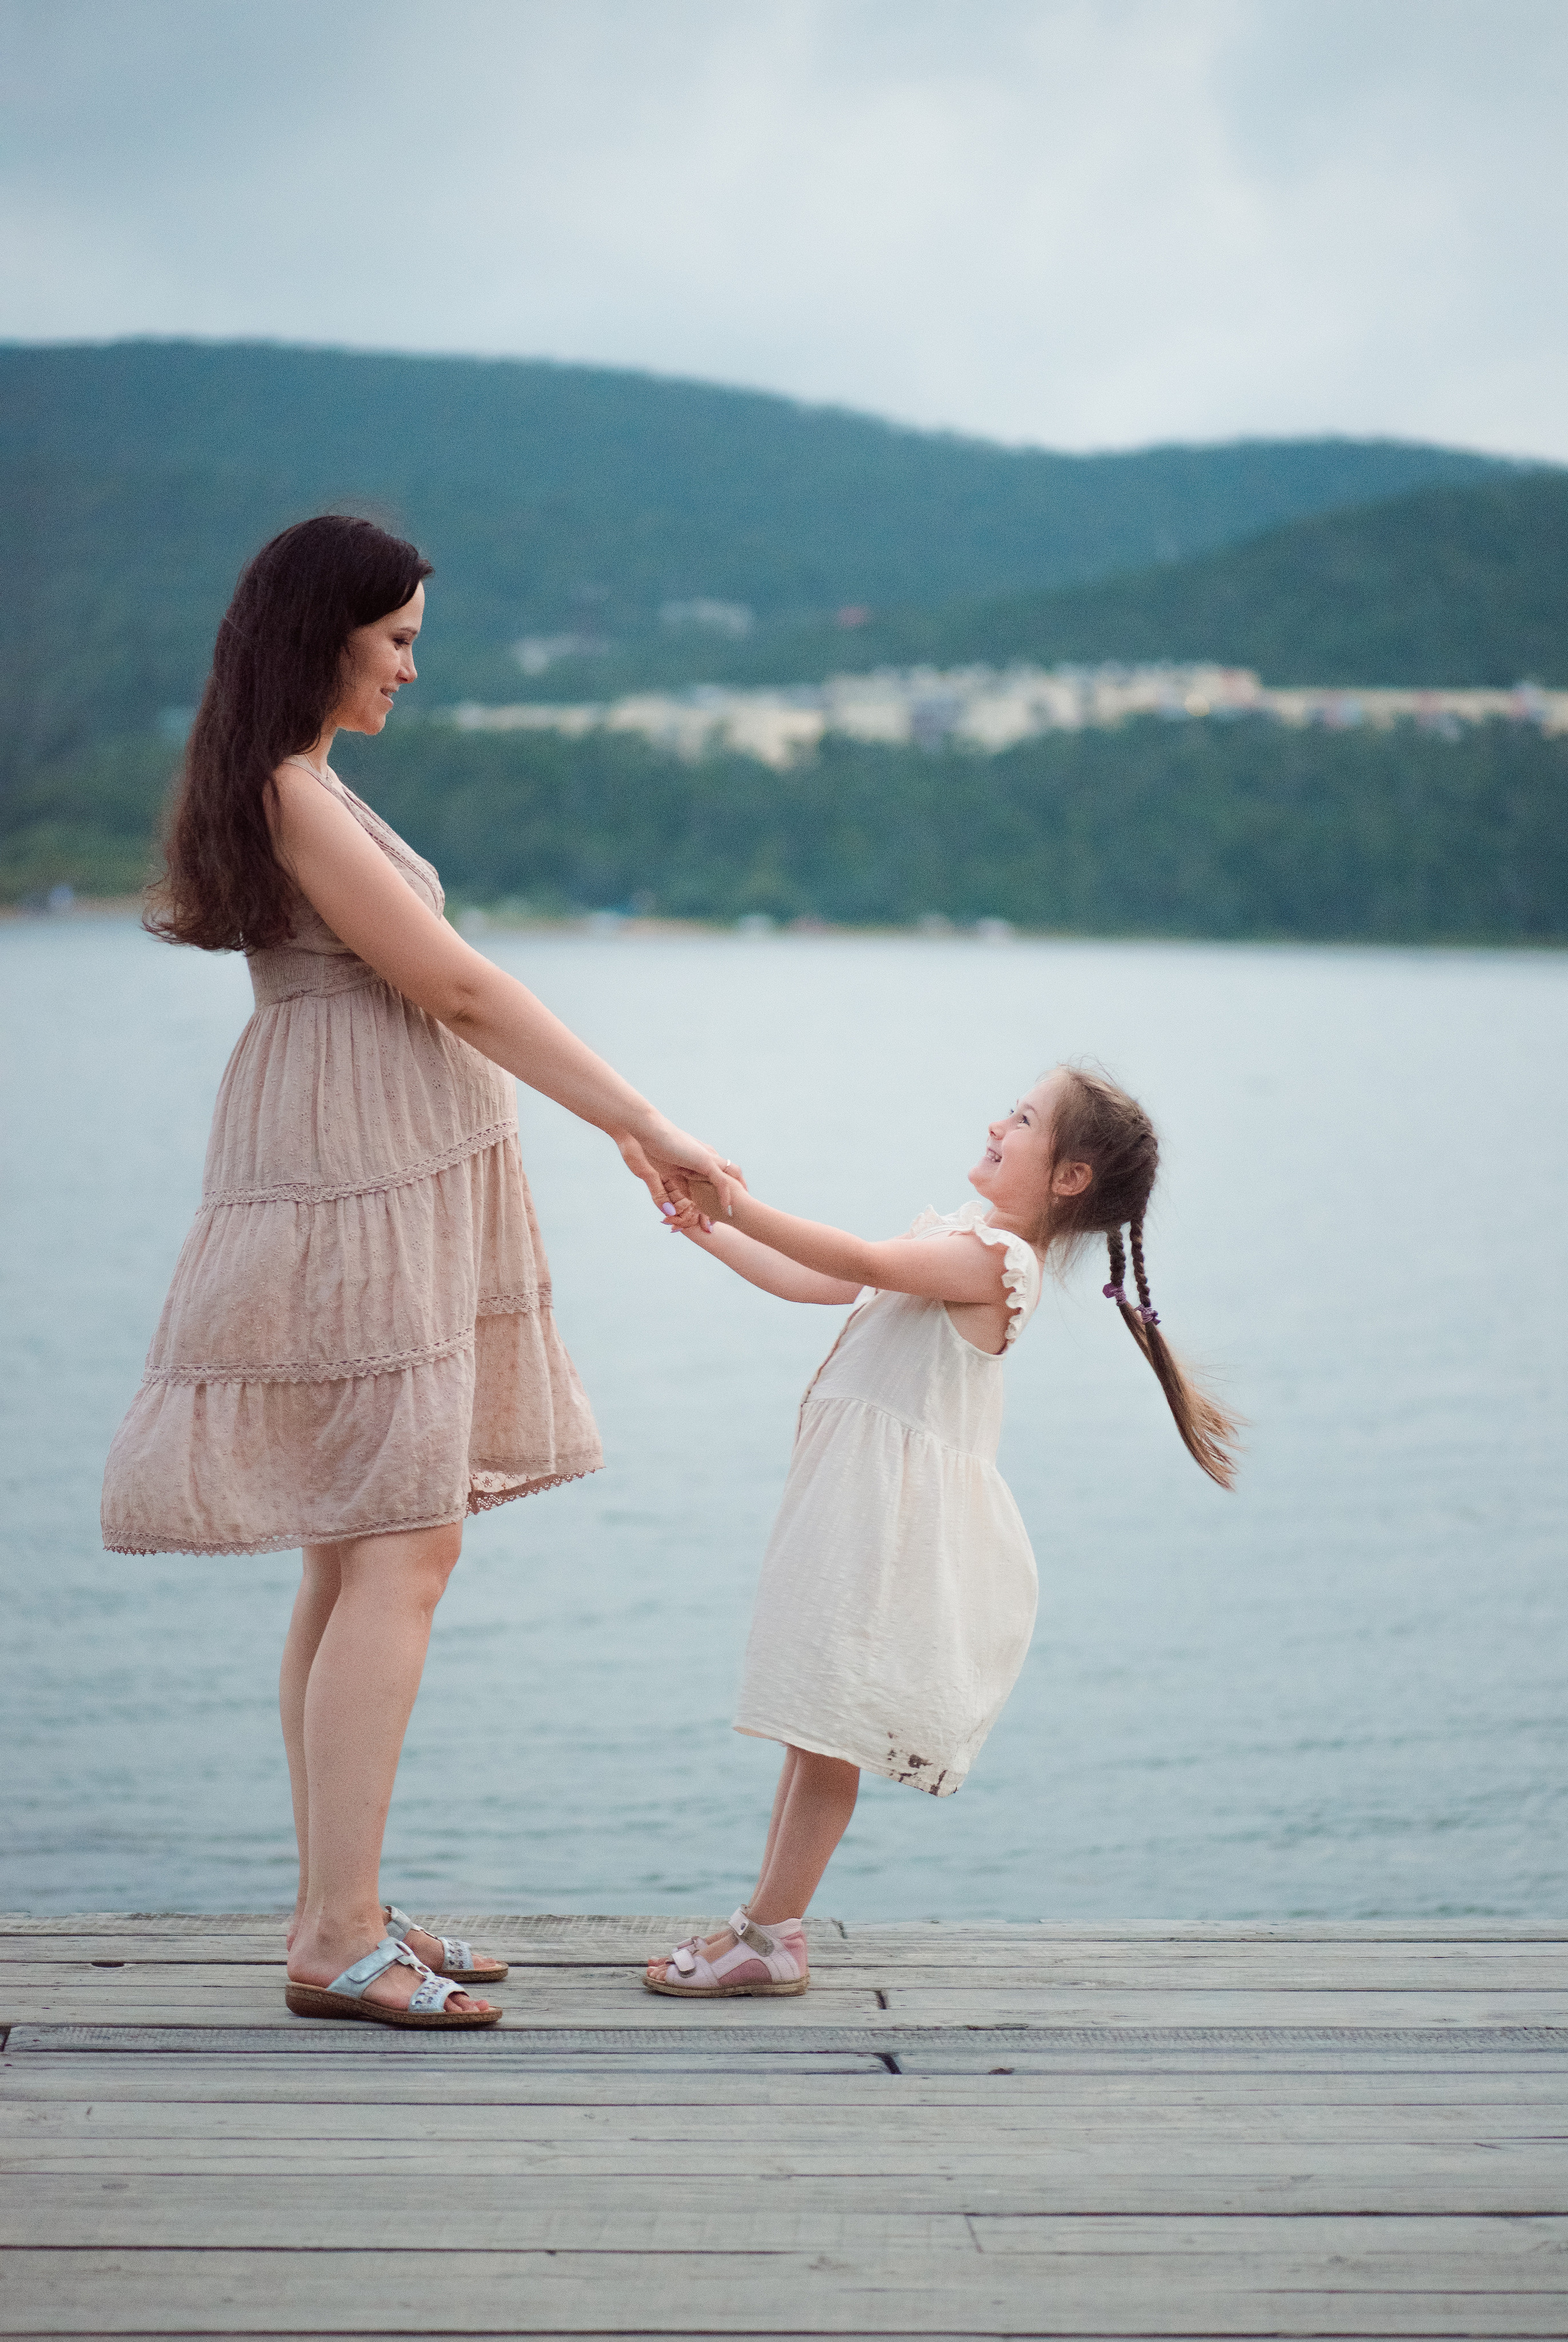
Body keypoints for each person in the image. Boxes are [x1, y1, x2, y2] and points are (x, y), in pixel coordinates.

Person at [101, 515, 735, 2029]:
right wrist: (641, 1120)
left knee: (355, 1540)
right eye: (393, 640)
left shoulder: (305, 783)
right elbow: (453, 982)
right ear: (319, 632)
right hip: (353, 1180)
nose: (407, 669)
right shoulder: (289, 788)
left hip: (372, 1168)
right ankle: (334, 1930)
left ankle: (346, 1905)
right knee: (404, 1541)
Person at [644, 1063, 1238, 1998]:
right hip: (848, 1508)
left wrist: (734, 1200)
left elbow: (858, 1261)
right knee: (810, 1728)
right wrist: (711, 1228)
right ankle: (760, 1923)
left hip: (883, 1531)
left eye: (1025, 1118)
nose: (998, 1122)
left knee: (828, 1734)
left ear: (1069, 1176)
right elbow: (814, 1281)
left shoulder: (1000, 1265)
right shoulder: (960, 1239)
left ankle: (770, 1935)